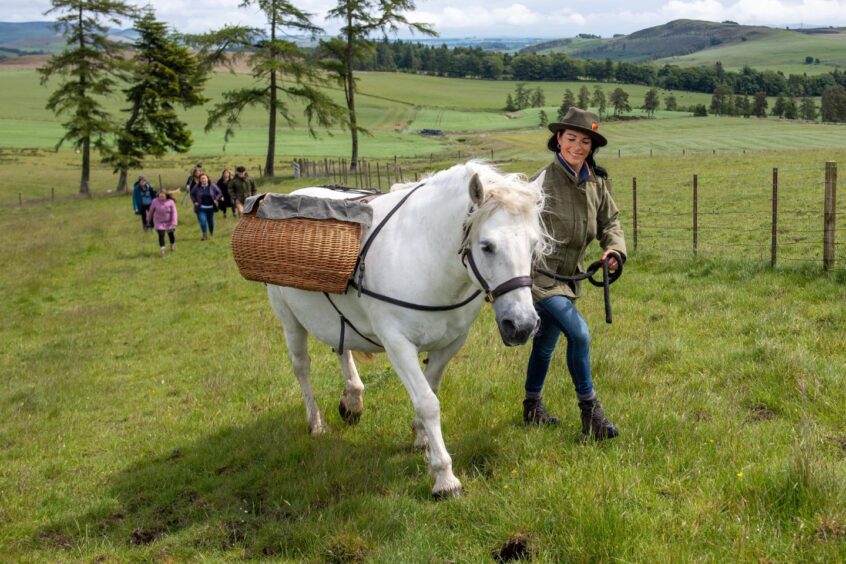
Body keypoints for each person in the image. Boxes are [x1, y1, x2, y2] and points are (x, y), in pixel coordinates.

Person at [522, 107, 627, 441]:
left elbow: (611, 221)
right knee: (579, 334)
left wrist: (614, 251)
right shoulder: (541, 182)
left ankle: (531, 407)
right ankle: (591, 413)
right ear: (558, 140)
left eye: (585, 141)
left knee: (545, 344)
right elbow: (518, 227)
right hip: (540, 276)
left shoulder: (595, 182)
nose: (578, 147)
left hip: (571, 277)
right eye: (572, 139)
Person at [189, 172, 223, 240]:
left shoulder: (212, 186)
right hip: (201, 208)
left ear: (207, 179)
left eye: (204, 178)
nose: (203, 180)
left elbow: (219, 193)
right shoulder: (197, 187)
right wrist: (195, 201)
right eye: (202, 178)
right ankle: (204, 235)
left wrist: (216, 199)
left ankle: (211, 233)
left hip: (211, 208)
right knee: (202, 221)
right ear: (200, 180)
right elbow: (192, 194)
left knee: (210, 222)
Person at [146, 190, 178, 256]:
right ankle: (162, 250)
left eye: (163, 196)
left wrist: (174, 222)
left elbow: (174, 213)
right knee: (161, 235)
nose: (161, 198)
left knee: (170, 234)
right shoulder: (155, 201)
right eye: (160, 196)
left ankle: (172, 245)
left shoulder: (171, 202)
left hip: (169, 222)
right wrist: (148, 219)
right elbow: (151, 211)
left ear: (166, 196)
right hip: (159, 222)